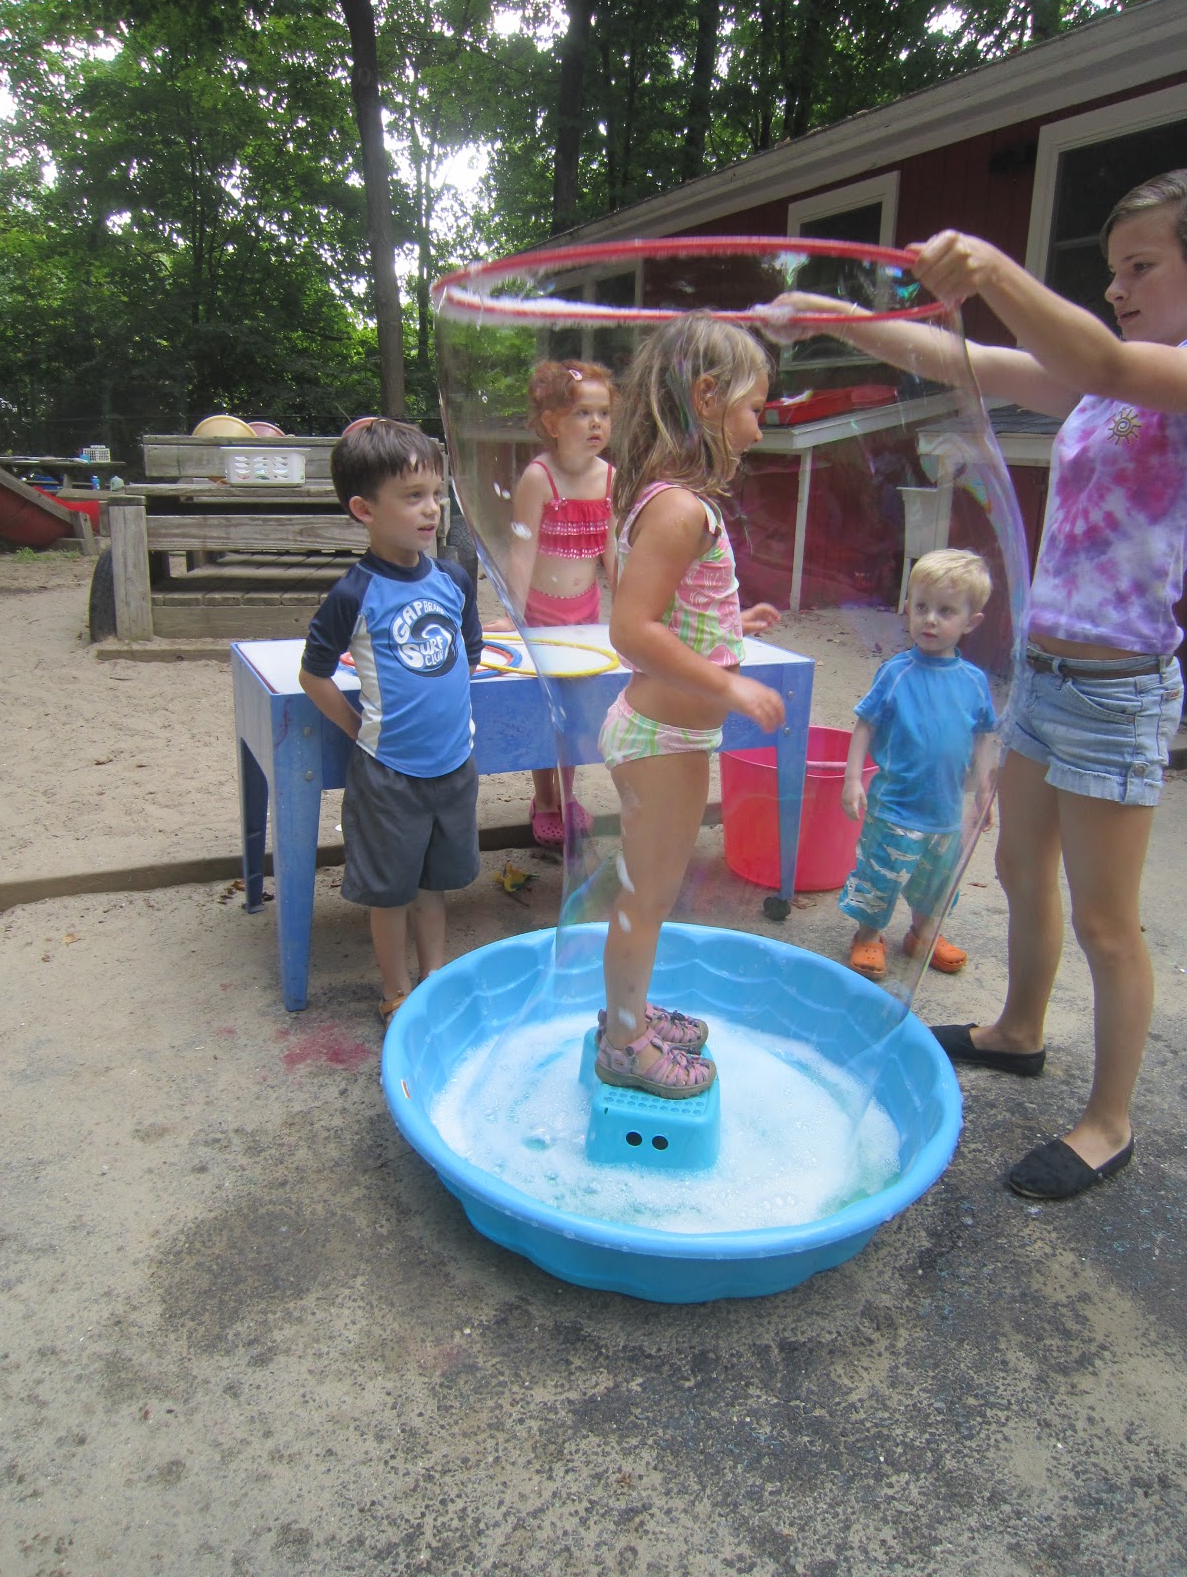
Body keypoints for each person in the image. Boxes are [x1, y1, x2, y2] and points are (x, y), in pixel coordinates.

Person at [776, 168, 1187, 1198]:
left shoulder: (1159, 375)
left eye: (1142, 266)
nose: (1120, 285)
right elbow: (965, 355)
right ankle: (1018, 1031)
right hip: (1042, 678)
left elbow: (1093, 350)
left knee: (1106, 918)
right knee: (1016, 873)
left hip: (1119, 690)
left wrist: (996, 266)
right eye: (1113, 268)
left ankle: (1108, 1121)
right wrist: (837, 317)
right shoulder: (1099, 386)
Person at [594, 314, 785, 1099]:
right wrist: (728, 682)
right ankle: (622, 1041)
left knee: (655, 890)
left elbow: (674, 614)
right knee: (648, 895)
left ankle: (631, 1009)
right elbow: (631, 628)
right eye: (753, 409)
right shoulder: (680, 508)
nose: (759, 432)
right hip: (662, 735)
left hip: (668, 733)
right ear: (707, 398)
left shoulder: (675, 500)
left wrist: (735, 629)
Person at [299, 418, 483, 1026]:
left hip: (454, 766)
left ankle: (434, 977)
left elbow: (469, 649)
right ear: (363, 509)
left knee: (433, 886)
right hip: (389, 776)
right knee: (391, 891)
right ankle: (397, 992)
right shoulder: (353, 593)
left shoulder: (454, 576)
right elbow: (314, 674)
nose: (431, 510)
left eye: (435, 494)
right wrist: (358, 731)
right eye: (412, 497)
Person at [839, 547, 997, 981]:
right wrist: (853, 780)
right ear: (907, 609)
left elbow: (984, 736)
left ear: (971, 622)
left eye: (946, 611)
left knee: (936, 881)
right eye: (921, 607)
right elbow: (865, 725)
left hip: (945, 814)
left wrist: (985, 787)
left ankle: (923, 932)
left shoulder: (973, 682)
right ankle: (868, 935)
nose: (930, 619)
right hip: (894, 808)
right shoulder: (896, 673)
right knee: (881, 874)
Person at [500, 361, 617, 848]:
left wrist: (635, 609)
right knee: (544, 712)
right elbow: (522, 551)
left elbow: (613, 551)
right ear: (551, 422)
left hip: (586, 615)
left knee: (576, 712)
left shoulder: (609, 476)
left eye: (604, 413)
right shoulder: (538, 477)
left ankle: (567, 795)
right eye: (581, 412)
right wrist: (511, 616)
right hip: (542, 615)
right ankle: (543, 797)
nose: (596, 423)